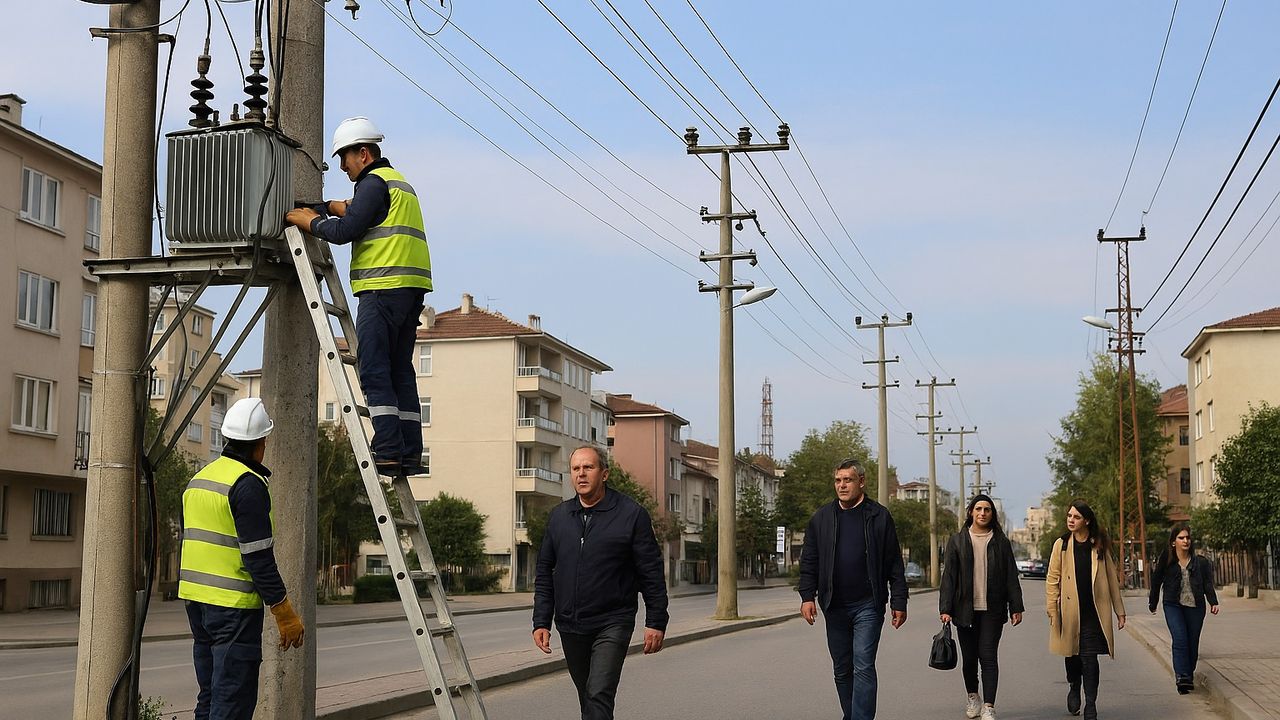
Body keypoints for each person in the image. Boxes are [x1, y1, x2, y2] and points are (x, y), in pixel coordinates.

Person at [284, 116, 432, 477]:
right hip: (409, 292)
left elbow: (346, 231)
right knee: (400, 371)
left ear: (363, 153)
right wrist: (329, 206)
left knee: (375, 369)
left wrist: (306, 221)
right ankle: (409, 453)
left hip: (381, 289)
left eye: (344, 158)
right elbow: (362, 213)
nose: (341, 166)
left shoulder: (373, 183)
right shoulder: (398, 183)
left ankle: (387, 451)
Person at [178, 397, 305, 720]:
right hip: (232, 609)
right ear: (259, 443)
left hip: (197, 603)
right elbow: (257, 556)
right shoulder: (247, 485)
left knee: (210, 695)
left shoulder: (200, 480)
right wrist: (283, 610)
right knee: (232, 700)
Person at [531, 446, 668, 720]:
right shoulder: (559, 517)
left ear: (604, 474)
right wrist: (541, 621)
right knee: (588, 698)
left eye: (588, 468)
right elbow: (545, 572)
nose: (581, 474)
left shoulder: (631, 515)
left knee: (598, 693)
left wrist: (656, 621)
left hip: (613, 621)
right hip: (570, 624)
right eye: (576, 469)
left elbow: (650, 573)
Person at [798, 458, 909, 720]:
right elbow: (809, 560)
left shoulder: (879, 516)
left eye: (848, 480)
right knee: (842, 669)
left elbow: (894, 561)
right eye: (838, 480)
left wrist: (899, 601)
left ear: (861, 481)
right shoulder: (822, 518)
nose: (842, 485)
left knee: (863, 666)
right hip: (833, 605)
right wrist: (807, 596)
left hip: (867, 604)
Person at [939, 494, 1025, 720]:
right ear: (971, 513)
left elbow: (1010, 576)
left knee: (988, 655)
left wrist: (1016, 606)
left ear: (992, 514)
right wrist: (945, 608)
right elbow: (949, 577)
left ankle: (989, 706)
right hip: (964, 609)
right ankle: (973, 697)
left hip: (993, 609)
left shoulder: (1001, 541)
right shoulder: (957, 541)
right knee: (969, 659)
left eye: (987, 509)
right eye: (978, 509)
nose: (983, 513)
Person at [1045, 500, 1126, 720]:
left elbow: (1111, 577)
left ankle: (1091, 704)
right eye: (1069, 516)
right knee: (1072, 656)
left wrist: (1119, 610)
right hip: (1069, 612)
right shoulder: (1061, 545)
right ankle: (1074, 684)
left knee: (1090, 659)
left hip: (1093, 613)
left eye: (1076, 517)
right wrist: (1052, 608)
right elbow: (1052, 578)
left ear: (1087, 520)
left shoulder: (1098, 544)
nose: (1071, 520)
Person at [1148, 523, 1220, 694]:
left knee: (1192, 642)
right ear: (1174, 542)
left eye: (1187, 537)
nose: (1185, 540)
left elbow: (1208, 584)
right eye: (1181, 538)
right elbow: (1156, 580)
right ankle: (1182, 677)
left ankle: (1188, 672)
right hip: (1173, 604)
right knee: (1180, 639)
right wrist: (1153, 601)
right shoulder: (1166, 559)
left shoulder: (1201, 562)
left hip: (1196, 606)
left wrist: (1213, 601)